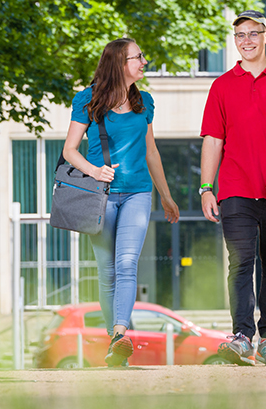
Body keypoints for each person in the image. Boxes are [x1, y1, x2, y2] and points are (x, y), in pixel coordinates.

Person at [200, 10, 266, 366]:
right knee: (240, 262)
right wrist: (205, 186)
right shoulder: (222, 85)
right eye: (239, 35)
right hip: (235, 190)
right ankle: (242, 335)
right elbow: (214, 141)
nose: (246, 40)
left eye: (253, 33)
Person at [62, 38, 180, 367]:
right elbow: (70, 150)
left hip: (139, 193)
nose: (144, 61)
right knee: (106, 272)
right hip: (98, 196)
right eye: (138, 57)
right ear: (119, 63)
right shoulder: (88, 99)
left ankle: (119, 333)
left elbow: (151, 151)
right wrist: (94, 171)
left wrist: (166, 195)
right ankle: (115, 345)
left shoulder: (145, 102)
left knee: (127, 264)